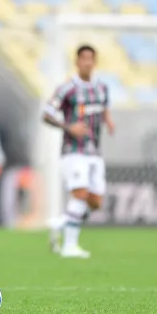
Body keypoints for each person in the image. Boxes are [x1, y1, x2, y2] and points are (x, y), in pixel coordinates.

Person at [42, 45, 114, 258]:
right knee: (80, 195)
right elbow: (47, 113)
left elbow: (104, 107)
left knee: (95, 202)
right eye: (83, 58)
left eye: (91, 59)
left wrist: (108, 121)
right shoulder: (68, 88)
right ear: (77, 61)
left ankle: (61, 223)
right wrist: (68, 126)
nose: (87, 62)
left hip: (94, 151)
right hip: (73, 151)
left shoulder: (101, 87)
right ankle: (69, 246)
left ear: (95, 61)